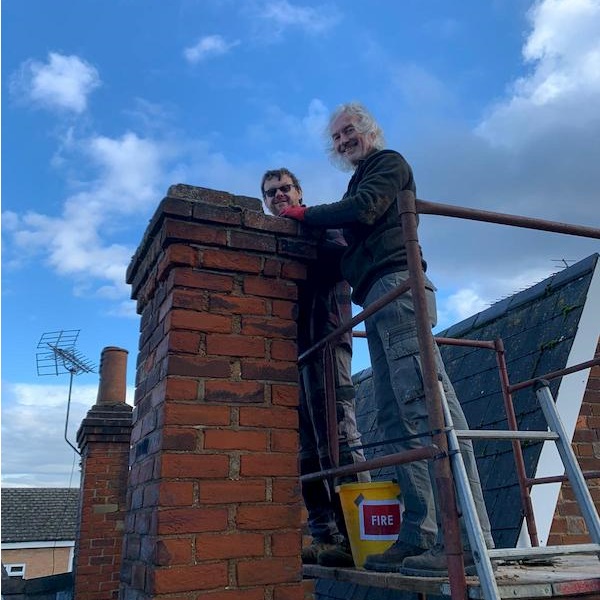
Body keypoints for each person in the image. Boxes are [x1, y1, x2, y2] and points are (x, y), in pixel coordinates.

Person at [278, 103, 494, 577]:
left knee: (426, 408)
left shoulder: (387, 164)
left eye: (348, 131)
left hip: (398, 288)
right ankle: (422, 535)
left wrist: (304, 213)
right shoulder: (359, 179)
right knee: (399, 421)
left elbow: (364, 208)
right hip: (377, 297)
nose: (342, 141)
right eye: (336, 137)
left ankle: (467, 540)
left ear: (369, 130)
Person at [261, 168, 371, 568]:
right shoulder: (277, 238)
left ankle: (360, 537)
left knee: (339, 436)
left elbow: (342, 260)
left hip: (327, 342)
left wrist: (303, 231)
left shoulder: (319, 226)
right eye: (271, 193)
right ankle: (326, 536)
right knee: (306, 448)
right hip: (296, 352)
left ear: (299, 192)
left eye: (284, 189)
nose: (279, 196)